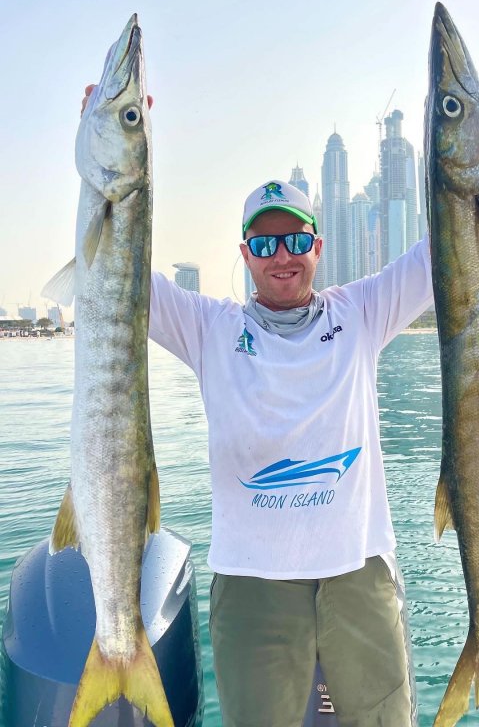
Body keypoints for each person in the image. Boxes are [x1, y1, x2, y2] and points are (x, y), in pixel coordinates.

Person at [81, 86, 435, 727]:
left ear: (318, 246)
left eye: (295, 240)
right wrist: (108, 142)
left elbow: (452, 243)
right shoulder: (208, 327)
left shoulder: (363, 311)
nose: (282, 257)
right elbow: (112, 260)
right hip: (250, 582)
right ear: (244, 255)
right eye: (265, 245)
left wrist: (468, 132)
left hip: (359, 575)